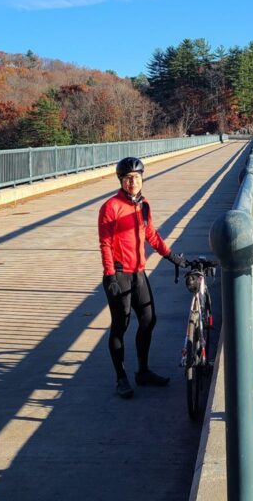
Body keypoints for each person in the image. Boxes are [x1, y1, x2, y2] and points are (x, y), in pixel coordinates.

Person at [98, 156, 187, 399]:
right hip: (118, 274)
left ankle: (143, 371)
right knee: (121, 325)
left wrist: (170, 256)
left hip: (138, 272)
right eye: (127, 178)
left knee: (149, 319)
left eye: (136, 177)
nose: (132, 182)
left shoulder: (143, 204)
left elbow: (150, 233)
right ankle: (121, 377)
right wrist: (110, 276)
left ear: (142, 179)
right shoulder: (110, 207)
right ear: (121, 180)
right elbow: (105, 243)